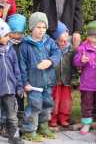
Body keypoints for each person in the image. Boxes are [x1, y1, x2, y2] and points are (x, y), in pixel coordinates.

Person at [19, 12, 61, 142]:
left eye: (44, 27)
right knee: (35, 106)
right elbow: (22, 66)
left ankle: (43, 127)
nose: (41, 30)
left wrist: (50, 61)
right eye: (38, 27)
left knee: (47, 105)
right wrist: (25, 83)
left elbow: (57, 53)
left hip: (48, 81)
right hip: (34, 84)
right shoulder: (25, 45)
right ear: (32, 27)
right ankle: (28, 130)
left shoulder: (49, 41)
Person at [73, 20, 96, 135]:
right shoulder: (83, 47)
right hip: (87, 83)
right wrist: (81, 60)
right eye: (91, 36)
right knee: (86, 104)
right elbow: (76, 61)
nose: (93, 39)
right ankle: (86, 122)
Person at [0, 19, 24, 144]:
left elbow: (17, 70)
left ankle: (13, 135)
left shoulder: (11, 51)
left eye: (8, 35)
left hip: (9, 89)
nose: (7, 38)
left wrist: (19, 86)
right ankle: (2, 128)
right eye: (4, 35)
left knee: (11, 114)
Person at [50, 21, 75, 128]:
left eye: (66, 33)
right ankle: (53, 118)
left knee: (66, 100)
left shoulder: (70, 48)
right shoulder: (51, 47)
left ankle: (64, 117)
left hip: (66, 79)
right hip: (54, 79)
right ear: (56, 37)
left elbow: (74, 63)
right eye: (63, 33)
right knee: (54, 99)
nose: (66, 35)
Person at [7, 14, 27, 121]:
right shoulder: (7, 44)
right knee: (9, 98)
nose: (16, 36)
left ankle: (20, 116)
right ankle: (9, 118)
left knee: (20, 96)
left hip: (21, 75)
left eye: (19, 33)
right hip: (9, 75)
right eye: (14, 33)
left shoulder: (25, 43)